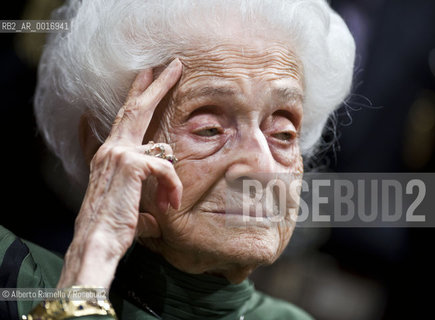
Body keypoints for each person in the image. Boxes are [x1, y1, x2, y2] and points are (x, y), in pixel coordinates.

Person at [0, 0, 355, 319]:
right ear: (103, 146)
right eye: (210, 130)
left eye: (282, 134)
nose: (262, 169)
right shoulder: (16, 281)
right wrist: (84, 282)